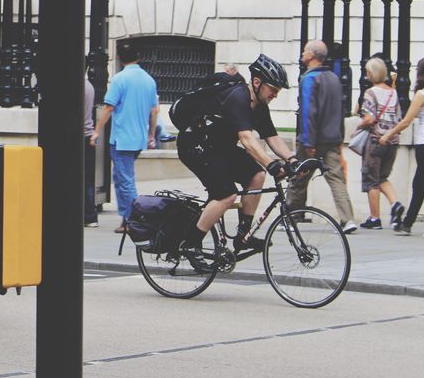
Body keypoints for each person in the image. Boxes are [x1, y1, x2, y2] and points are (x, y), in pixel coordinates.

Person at [176, 54, 297, 254]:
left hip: (220, 148)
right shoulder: (238, 97)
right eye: (273, 89)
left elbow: (272, 137)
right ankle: (190, 244)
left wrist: (292, 159)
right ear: (257, 83)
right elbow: (247, 140)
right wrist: (272, 164)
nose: (275, 95)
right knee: (226, 195)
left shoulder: (259, 106)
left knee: (257, 176)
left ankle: (243, 236)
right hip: (196, 147)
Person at [288, 39, 357, 233]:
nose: (302, 55)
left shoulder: (309, 79)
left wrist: (309, 140)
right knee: (336, 178)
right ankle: (347, 218)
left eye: (304, 52)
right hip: (332, 138)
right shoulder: (334, 78)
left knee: (299, 176)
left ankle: (292, 214)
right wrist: (339, 137)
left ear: (312, 55)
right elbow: (340, 110)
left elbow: (309, 110)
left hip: (313, 138)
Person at [90, 41, 159, 233]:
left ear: (119, 58)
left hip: (122, 138)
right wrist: (151, 135)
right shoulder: (148, 80)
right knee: (120, 178)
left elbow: (109, 107)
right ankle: (126, 217)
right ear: (138, 56)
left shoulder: (120, 79)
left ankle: (133, 219)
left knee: (126, 180)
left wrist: (96, 131)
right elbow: (154, 111)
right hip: (138, 138)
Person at [382, 57, 424, 238]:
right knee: (419, 184)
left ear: (421, 72)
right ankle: (407, 224)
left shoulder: (422, 94)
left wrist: (389, 134)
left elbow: (406, 120)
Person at [353, 55, 404, 229]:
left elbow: (369, 118)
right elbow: (398, 118)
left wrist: (357, 127)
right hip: (392, 140)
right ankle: (395, 203)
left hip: (375, 140)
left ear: (370, 73)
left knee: (371, 179)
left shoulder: (370, 92)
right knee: (383, 177)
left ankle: (374, 218)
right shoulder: (393, 93)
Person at [84, 63, 99, 227]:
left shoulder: (77, 86)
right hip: (88, 134)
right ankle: (90, 215)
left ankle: (88, 214)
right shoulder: (89, 86)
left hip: (80, 136)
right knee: (88, 179)